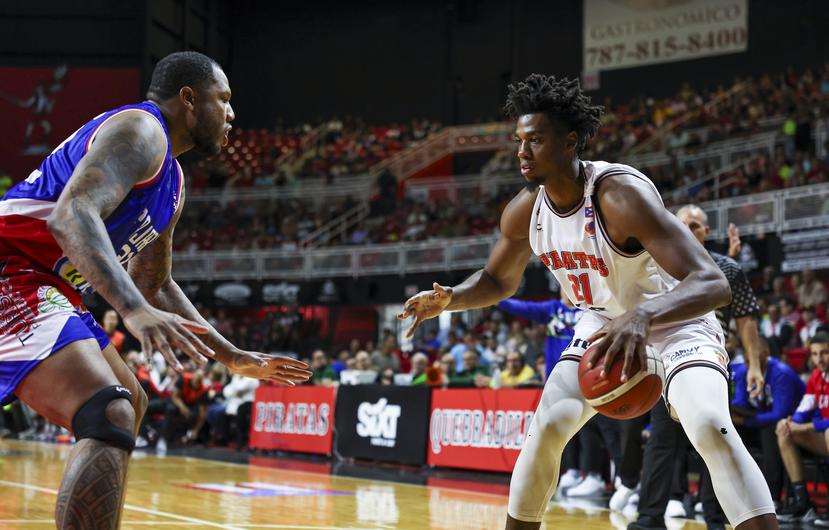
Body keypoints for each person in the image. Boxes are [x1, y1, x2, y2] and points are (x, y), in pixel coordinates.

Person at [398, 74, 775, 530]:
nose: (521, 152)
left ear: (569, 140)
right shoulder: (525, 211)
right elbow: (498, 279)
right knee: (545, 432)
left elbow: (713, 283)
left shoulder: (618, 196)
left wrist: (645, 315)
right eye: (519, 140)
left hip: (675, 320)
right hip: (603, 325)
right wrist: (451, 299)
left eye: (535, 139)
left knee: (710, 425)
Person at [0, 51, 311, 529]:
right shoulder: (141, 131)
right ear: (188, 99)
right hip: (12, 268)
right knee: (109, 408)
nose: (232, 113)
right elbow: (72, 214)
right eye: (223, 99)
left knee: (131, 401)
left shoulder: (174, 183)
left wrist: (232, 356)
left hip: (43, 284)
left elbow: (156, 284)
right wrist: (131, 310)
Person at [621, 205, 768, 530]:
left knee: (713, 437)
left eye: (696, 225)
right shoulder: (656, 266)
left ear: (705, 232)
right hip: (667, 363)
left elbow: (746, 320)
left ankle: (716, 519)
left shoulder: (727, 267)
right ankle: (649, 518)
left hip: (711, 362)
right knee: (661, 439)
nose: (689, 228)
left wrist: (754, 366)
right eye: (683, 222)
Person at [731, 337, 805, 505]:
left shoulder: (781, 373)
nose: (748, 363)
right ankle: (730, 498)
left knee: (770, 430)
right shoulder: (745, 370)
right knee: (728, 431)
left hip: (791, 425)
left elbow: (779, 414)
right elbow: (741, 403)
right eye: (746, 359)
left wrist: (745, 421)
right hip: (762, 421)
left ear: (766, 354)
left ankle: (772, 498)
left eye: (752, 359)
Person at [776, 332, 829, 525]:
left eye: (824, 353)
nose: (819, 359)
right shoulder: (816, 376)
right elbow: (804, 409)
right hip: (825, 440)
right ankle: (803, 504)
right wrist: (791, 422)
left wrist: (805, 426)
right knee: (784, 432)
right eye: (815, 354)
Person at [497, 295, 580, 379]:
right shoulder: (552, 307)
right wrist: (497, 299)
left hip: (582, 368)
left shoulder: (589, 310)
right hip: (556, 373)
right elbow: (525, 307)